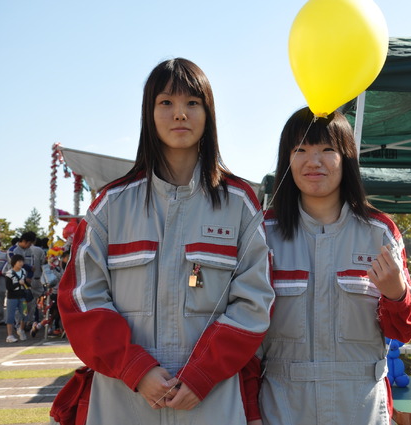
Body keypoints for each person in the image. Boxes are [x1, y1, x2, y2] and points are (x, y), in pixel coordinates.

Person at [57, 58, 274, 425]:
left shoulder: (238, 204)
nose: (180, 115)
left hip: (212, 398)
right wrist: (135, 369)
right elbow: (81, 299)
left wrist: (203, 374)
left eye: (192, 102)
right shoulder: (111, 204)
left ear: (208, 113)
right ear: (149, 112)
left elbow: (256, 301)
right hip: (122, 399)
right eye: (166, 103)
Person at [258, 107, 411, 425]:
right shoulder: (264, 232)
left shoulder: (379, 231)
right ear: (287, 159)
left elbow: (405, 330)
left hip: (360, 408)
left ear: (346, 157)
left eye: (327, 150)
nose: (313, 161)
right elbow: (246, 335)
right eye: (301, 150)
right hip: (281, 408)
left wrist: (395, 294)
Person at [4, 254, 30, 343]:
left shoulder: (23, 271)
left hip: (22, 296)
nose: (21, 263)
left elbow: (25, 282)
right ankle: (9, 335)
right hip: (12, 297)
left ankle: (21, 330)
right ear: (14, 263)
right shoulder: (9, 273)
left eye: (22, 261)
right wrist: (19, 283)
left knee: (25, 314)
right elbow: (9, 287)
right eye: (19, 262)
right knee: (10, 316)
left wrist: (27, 284)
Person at [0, 238, 8, 324]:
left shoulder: (4, 255)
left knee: (0, 298)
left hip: (1, 279)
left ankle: (0, 318)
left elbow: (7, 267)